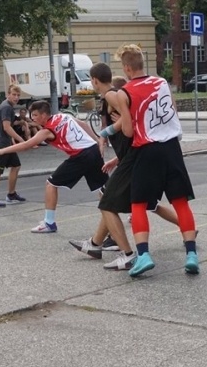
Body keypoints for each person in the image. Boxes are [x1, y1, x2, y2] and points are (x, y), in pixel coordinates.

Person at [68, 65, 181, 270]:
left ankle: (127, 254)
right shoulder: (111, 96)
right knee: (136, 203)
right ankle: (95, 244)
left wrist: (108, 130)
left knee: (108, 203)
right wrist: (115, 157)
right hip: (132, 158)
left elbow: (133, 119)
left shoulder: (112, 96)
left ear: (94, 80)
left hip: (136, 160)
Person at [114, 44, 199, 277]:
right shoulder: (162, 82)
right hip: (171, 148)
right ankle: (191, 254)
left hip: (147, 150)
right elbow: (173, 111)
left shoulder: (125, 92)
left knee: (139, 204)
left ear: (128, 68)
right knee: (181, 202)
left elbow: (129, 132)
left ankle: (143, 255)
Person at [0, 99, 108, 233]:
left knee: (51, 184)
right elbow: (83, 125)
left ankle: (49, 222)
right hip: (93, 150)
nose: (32, 118)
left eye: (35, 115)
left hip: (81, 155)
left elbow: (26, 145)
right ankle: (112, 219)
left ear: (44, 115)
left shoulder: (47, 131)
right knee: (103, 188)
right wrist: (97, 141)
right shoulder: (63, 116)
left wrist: (1, 151)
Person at [0, 86, 27, 208]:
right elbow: (6, 127)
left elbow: (7, 127)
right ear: (8, 94)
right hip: (1, 144)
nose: (16, 97)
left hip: (6, 143)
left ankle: (11, 194)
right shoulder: (7, 107)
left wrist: (13, 140)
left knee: (16, 165)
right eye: (14, 94)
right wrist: (21, 140)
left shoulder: (7, 106)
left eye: (18, 95)